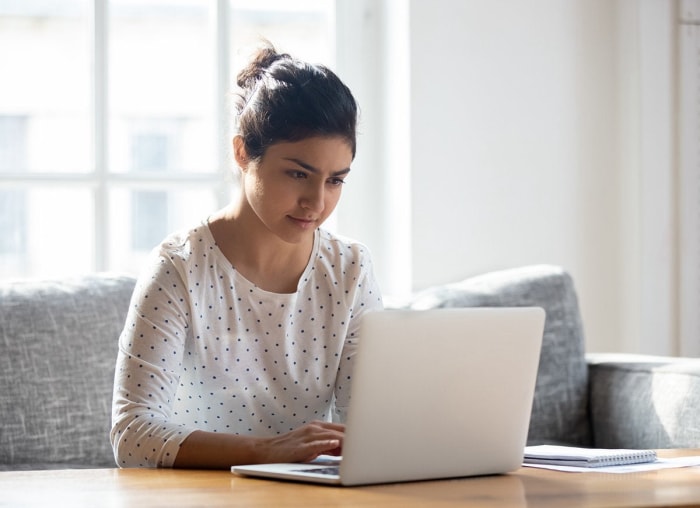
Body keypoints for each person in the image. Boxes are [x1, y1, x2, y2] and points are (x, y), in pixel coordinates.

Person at [110, 44, 383, 469]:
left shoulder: (350, 270)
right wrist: (266, 451)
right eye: (298, 174)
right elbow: (132, 435)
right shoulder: (179, 267)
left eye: (335, 180)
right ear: (242, 153)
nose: (316, 201)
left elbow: (368, 430)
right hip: (200, 496)